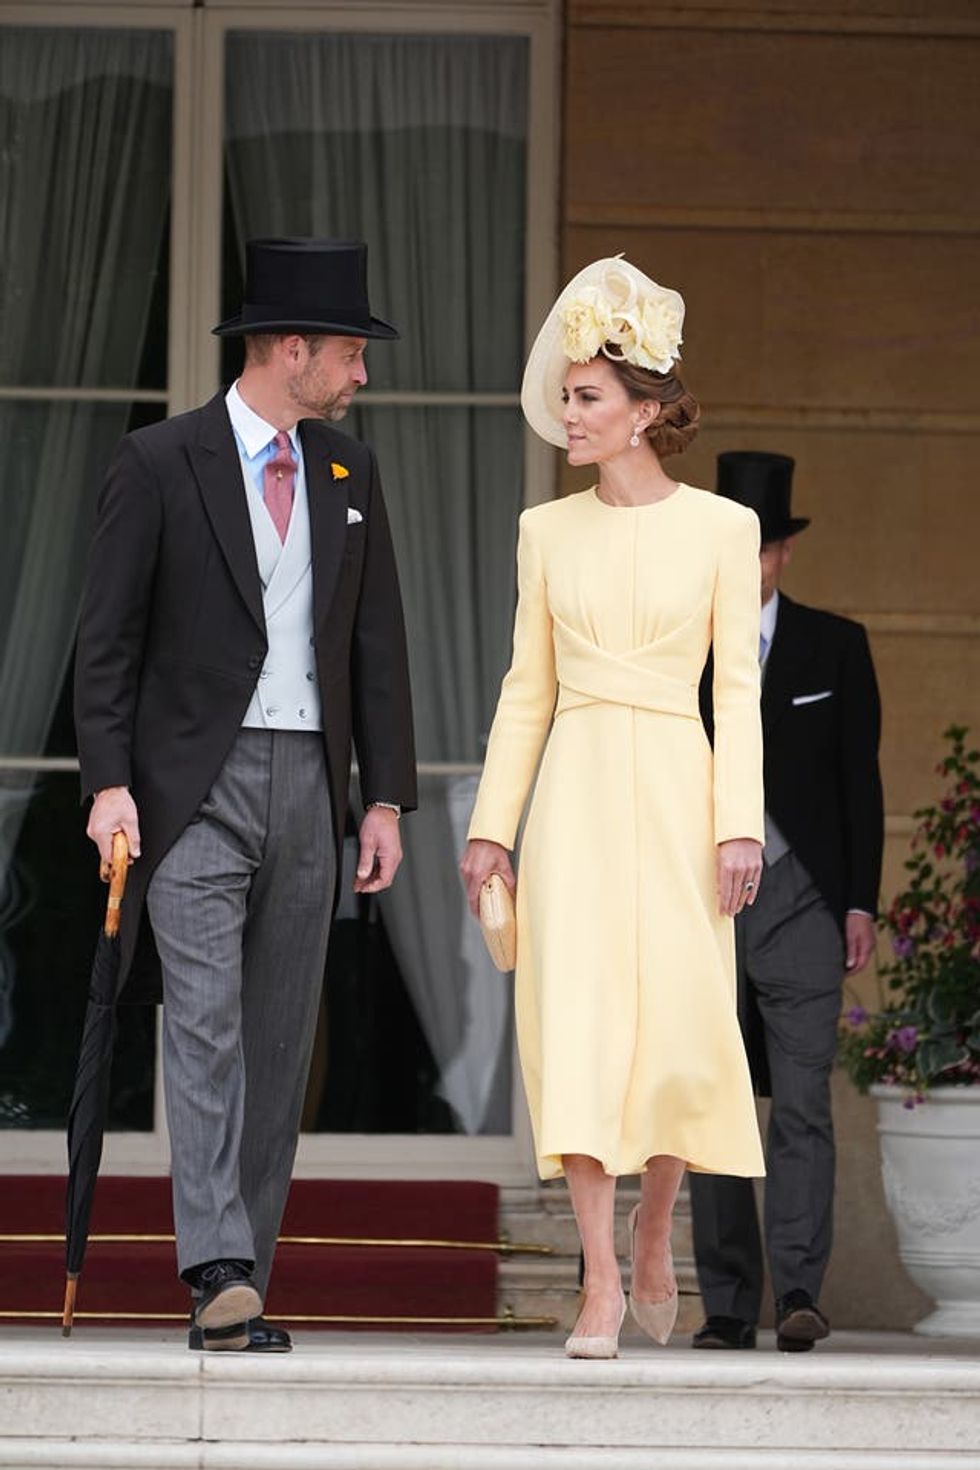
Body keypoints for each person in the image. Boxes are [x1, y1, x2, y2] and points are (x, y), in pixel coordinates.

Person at [74, 238, 417, 1353]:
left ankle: (242, 1282)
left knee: (279, 1043)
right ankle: (215, 1261)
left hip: (310, 783)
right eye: (351, 353)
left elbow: (376, 646)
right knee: (207, 1026)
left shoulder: (347, 473)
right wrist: (110, 784)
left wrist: (382, 800)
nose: (362, 375)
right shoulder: (158, 461)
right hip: (193, 789)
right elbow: (107, 642)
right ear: (291, 349)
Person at [460, 257, 766, 1359]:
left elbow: (736, 688)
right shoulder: (545, 532)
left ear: (644, 412)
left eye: (586, 399)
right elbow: (524, 688)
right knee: (575, 1026)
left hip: (683, 791)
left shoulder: (725, 530)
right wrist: (492, 823)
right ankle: (597, 1278)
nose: (565, 414)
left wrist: (740, 823)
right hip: (578, 793)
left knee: (680, 1025)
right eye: (566, 397)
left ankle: (653, 1230)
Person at [689, 450, 884, 1354]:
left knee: (802, 1103)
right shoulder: (680, 645)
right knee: (711, 1106)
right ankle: (729, 1301)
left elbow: (861, 786)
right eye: (736, 543)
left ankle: (799, 1292)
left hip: (805, 902)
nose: (751, 559)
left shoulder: (836, 646)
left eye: (763, 546)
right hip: (701, 904)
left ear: (783, 554)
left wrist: (860, 903)